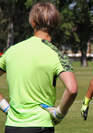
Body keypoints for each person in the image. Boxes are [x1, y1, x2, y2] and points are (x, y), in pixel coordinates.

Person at [0, 2, 78, 133]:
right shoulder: (56, 54)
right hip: (41, 126)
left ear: (32, 22)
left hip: (12, 126)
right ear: (56, 23)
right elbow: (72, 89)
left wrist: (6, 108)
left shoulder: (12, 51)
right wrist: (59, 114)